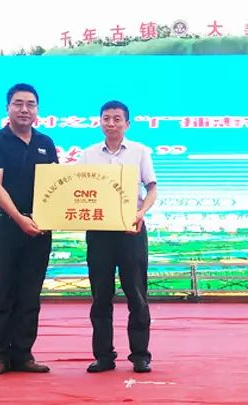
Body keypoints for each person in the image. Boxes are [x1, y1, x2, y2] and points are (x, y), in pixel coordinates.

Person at [0, 83, 58, 375]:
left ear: (37, 110)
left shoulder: (46, 143)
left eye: (30, 104)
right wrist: (19, 218)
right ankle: (0, 356)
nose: (25, 109)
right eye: (18, 103)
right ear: (8, 108)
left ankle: (24, 354)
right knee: (3, 290)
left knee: (30, 292)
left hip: (39, 227)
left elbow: (56, 187)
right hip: (4, 225)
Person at [78, 100, 157, 373]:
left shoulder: (140, 151)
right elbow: (77, 191)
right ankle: (103, 356)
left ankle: (140, 355)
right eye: (106, 118)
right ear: (100, 122)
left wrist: (141, 212)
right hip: (99, 233)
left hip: (130, 230)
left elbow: (152, 188)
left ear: (127, 124)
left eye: (117, 119)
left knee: (136, 294)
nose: (111, 123)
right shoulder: (88, 154)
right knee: (101, 295)